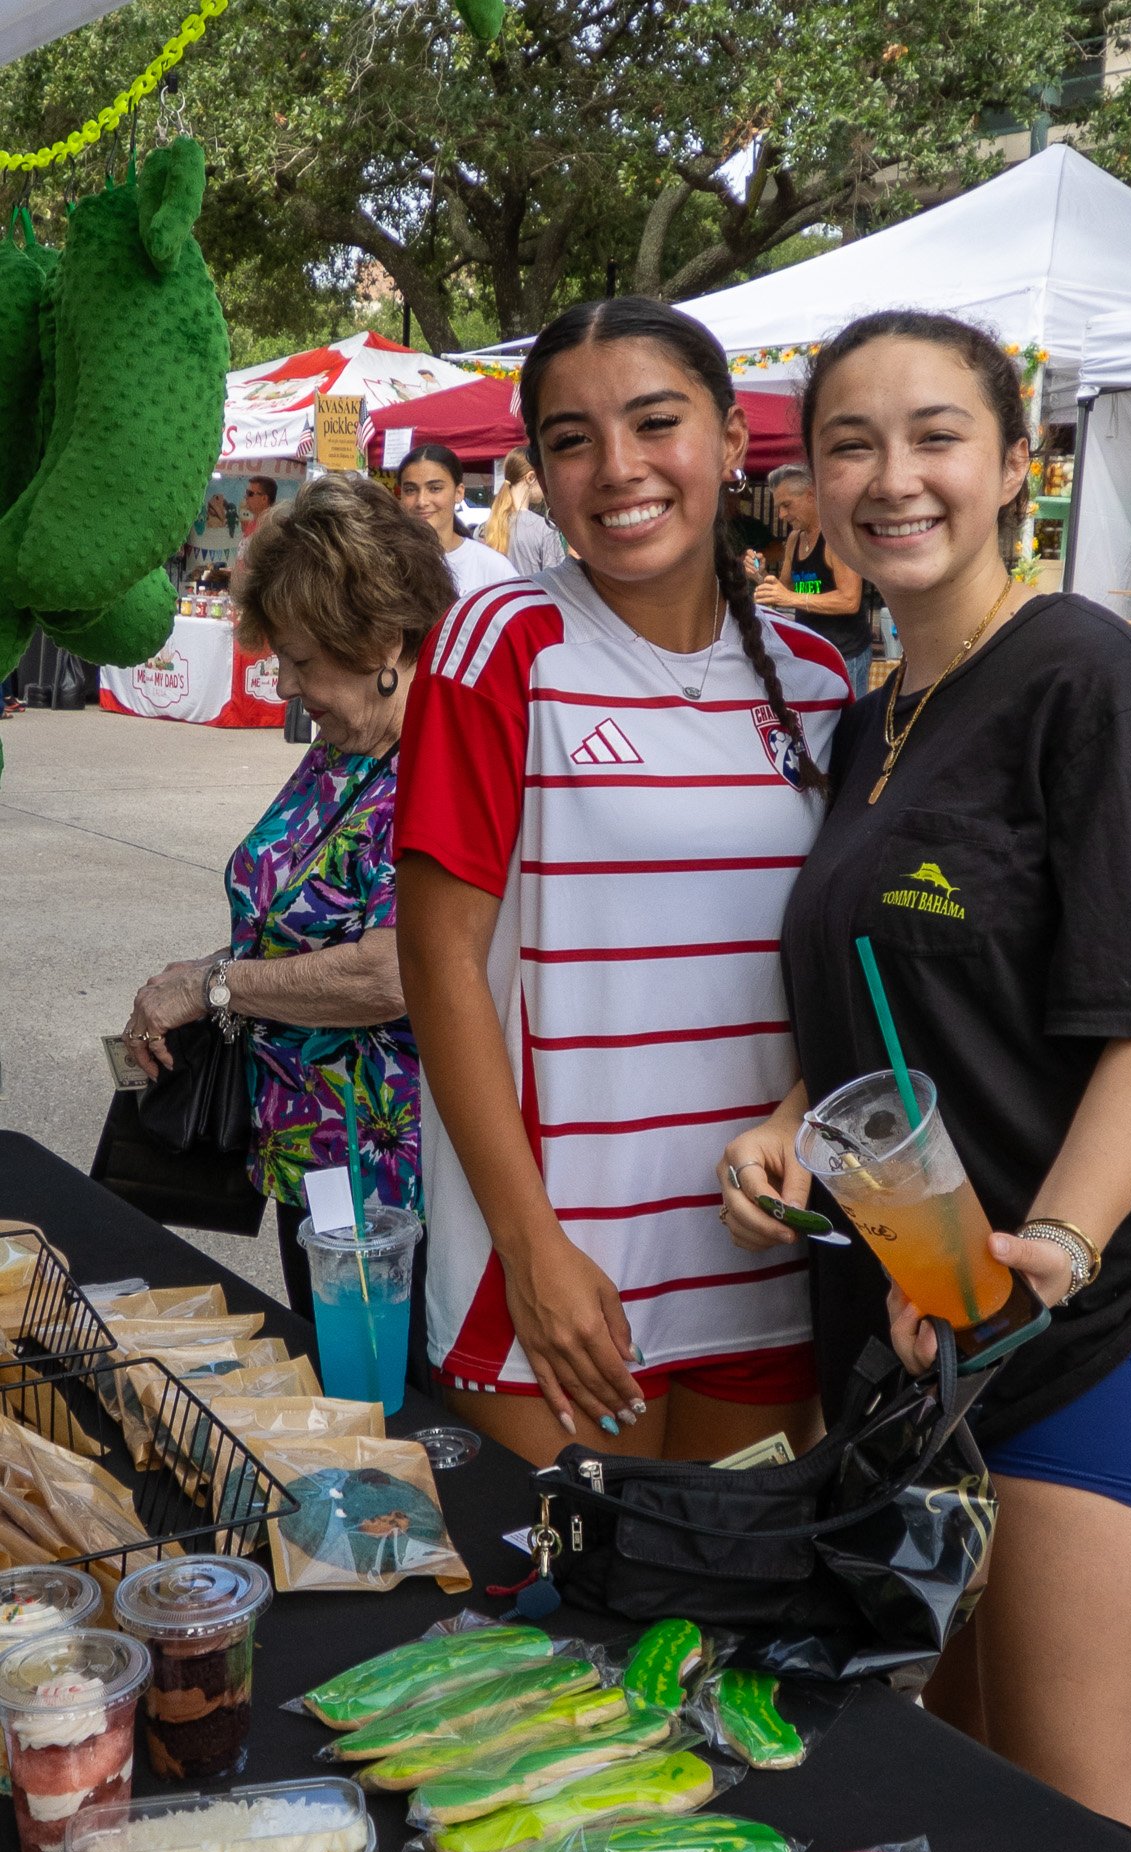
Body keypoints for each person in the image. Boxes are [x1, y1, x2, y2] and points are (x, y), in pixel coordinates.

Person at [719, 310, 1131, 1852]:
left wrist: (1062, 1256)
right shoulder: (873, 714)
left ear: (1017, 467)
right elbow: (880, 983)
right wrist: (787, 1123)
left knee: (1079, 1822)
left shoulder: (1096, 687)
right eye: (851, 444)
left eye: (936, 435)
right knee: (955, 1796)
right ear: (809, 488)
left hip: (1099, 1317)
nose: (894, 478)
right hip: (934, 1319)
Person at [393, 296, 850, 1466]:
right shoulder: (501, 645)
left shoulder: (816, 680)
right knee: (577, 1636)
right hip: (562, 1274)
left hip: (764, 1262)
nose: (617, 468)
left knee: (722, 1634)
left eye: (655, 422)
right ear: (538, 466)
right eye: (571, 438)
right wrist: (529, 1242)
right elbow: (437, 962)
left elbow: (839, 968)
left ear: (732, 442)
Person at [122, 475, 455, 1382]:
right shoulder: (348, 745)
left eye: (305, 662)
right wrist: (198, 972)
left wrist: (213, 985)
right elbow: (294, 919)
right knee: (335, 1379)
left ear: (383, 639)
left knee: (383, 1401)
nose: (290, 685)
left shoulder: (434, 757)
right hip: (310, 1151)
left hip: (393, 1177)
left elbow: (395, 973)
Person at [754, 463, 873, 695]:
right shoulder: (794, 540)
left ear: (810, 495)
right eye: (778, 507)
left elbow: (849, 600)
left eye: (787, 505)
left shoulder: (836, 536)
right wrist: (760, 575)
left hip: (844, 655)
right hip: (809, 653)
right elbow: (783, 591)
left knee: (847, 728)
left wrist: (790, 598)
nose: (781, 515)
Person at [399, 442, 516, 595]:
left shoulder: (493, 567)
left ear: (459, 492)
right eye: (410, 490)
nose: (422, 501)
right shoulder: (384, 565)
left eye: (435, 488)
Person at [480, 449, 565, 573]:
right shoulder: (544, 529)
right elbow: (556, 582)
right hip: (532, 592)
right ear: (531, 477)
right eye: (544, 478)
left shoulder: (482, 529)